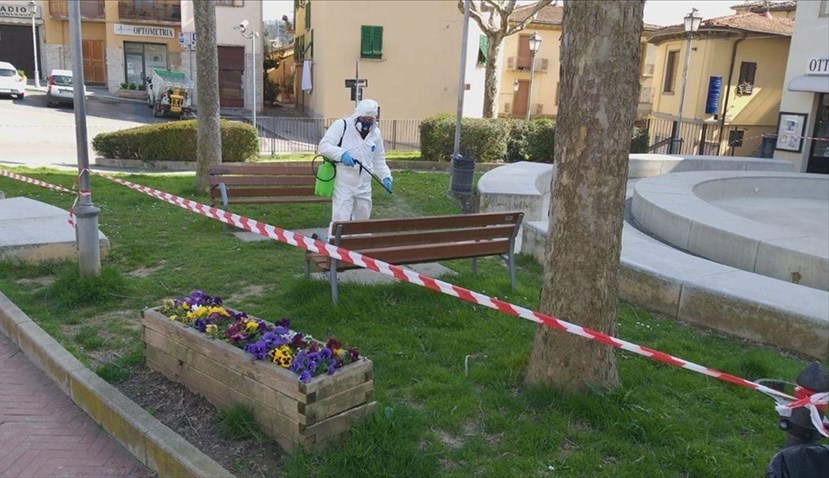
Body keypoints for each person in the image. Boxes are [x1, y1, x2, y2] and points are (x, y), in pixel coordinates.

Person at [318, 99, 392, 228]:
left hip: (364, 184)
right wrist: (342, 154)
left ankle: (359, 244)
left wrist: (386, 176)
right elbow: (324, 146)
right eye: (364, 119)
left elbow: (378, 159)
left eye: (370, 120)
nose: (366, 123)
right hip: (344, 182)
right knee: (341, 218)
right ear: (357, 116)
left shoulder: (375, 133)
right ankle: (336, 244)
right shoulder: (342, 126)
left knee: (363, 219)